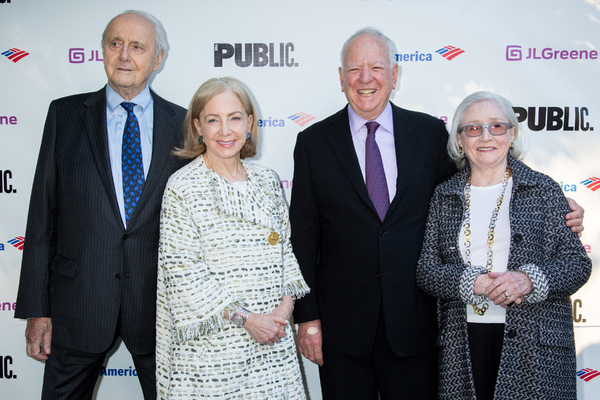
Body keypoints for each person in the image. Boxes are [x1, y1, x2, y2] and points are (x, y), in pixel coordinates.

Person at [289, 28, 586, 400]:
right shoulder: (313, 142)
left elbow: (478, 181)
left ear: (395, 75)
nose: (366, 79)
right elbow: (302, 237)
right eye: (354, 69)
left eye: (377, 67)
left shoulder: (429, 133)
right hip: (341, 327)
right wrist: (307, 317)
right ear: (340, 77)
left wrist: (564, 210)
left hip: (417, 326)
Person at [14, 10, 187, 399]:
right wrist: (37, 309)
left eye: (137, 46)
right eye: (115, 44)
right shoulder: (65, 115)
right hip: (78, 304)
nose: (125, 55)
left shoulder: (184, 124)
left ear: (157, 58)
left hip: (160, 310)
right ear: (103, 51)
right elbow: (42, 216)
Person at [416, 91, 591, 400]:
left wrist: (527, 280)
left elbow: (577, 264)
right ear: (459, 140)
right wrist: (476, 283)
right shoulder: (443, 197)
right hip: (463, 340)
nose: (486, 136)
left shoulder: (543, 189)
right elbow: (427, 270)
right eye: (473, 128)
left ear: (511, 134)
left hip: (535, 345)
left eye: (496, 126)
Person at [156, 77, 310, 399]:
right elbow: (184, 275)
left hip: (273, 347)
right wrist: (248, 320)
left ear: (250, 123)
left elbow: (286, 253)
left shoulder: (267, 181)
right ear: (198, 127)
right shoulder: (183, 187)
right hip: (212, 357)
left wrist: (282, 312)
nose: (225, 131)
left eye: (235, 118)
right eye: (213, 120)